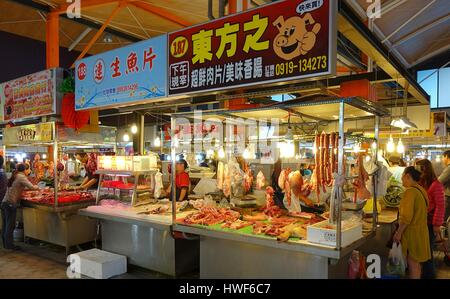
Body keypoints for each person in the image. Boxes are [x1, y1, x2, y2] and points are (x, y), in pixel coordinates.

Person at [393, 166, 431, 279]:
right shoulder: (421, 189)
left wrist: (398, 233)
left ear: (407, 176)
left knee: (413, 264)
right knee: (417, 264)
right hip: (421, 232)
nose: (401, 179)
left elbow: (406, 217)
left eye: (402, 176)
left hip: (412, 235)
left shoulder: (410, 192)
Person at [416, 159, 445, 279]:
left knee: (427, 253)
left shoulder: (435, 184)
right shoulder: (422, 183)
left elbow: (440, 205)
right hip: (422, 222)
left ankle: (429, 275)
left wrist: (436, 224)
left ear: (425, 170)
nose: (417, 172)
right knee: (424, 251)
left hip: (430, 223)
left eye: (418, 170)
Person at [1, 163, 39, 250]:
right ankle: (9, 245)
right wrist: (38, 187)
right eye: (27, 170)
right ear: (25, 170)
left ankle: (6, 244)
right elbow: (32, 187)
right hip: (10, 203)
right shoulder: (21, 177)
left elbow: (18, 186)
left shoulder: (15, 175)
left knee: (5, 225)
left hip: (5, 202)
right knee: (10, 225)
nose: (28, 171)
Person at [438, 150, 450, 224]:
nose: (442, 160)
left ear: (446, 157)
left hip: (448, 197)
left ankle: (444, 234)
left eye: (443, 157)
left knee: (444, 219)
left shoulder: (449, 168)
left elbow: (439, 181)